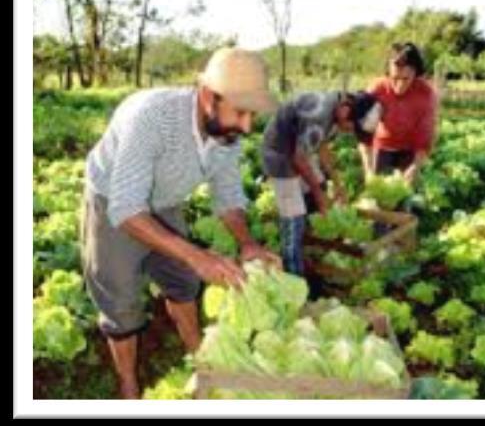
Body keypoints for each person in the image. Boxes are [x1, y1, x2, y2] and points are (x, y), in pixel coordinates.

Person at [82, 47, 281, 398]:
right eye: (240, 112)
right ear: (208, 96)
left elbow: (229, 194)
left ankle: (198, 355)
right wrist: (197, 255)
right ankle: (129, 384)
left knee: (184, 281)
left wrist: (247, 243)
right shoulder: (152, 118)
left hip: (165, 200)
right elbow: (127, 208)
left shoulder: (226, 133)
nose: (247, 125)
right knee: (121, 301)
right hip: (113, 200)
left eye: (251, 114)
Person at [262, 90, 382, 275]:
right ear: (345, 110)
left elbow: (322, 147)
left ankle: (309, 254)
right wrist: (319, 196)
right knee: (294, 217)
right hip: (279, 153)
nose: (350, 131)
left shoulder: (336, 111)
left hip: (300, 150)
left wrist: (337, 182)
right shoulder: (320, 115)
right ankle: (295, 275)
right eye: (352, 127)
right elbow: (298, 158)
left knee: (319, 187)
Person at [359, 42, 438, 184]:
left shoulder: (426, 93)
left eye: (406, 79)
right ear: (388, 72)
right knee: (378, 192)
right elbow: (364, 133)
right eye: (395, 78)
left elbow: (426, 136)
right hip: (382, 147)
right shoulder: (376, 89)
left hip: (410, 150)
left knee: (405, 194)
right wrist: (368, 171)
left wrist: (415, 167)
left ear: (415, 73)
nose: (399, 86)